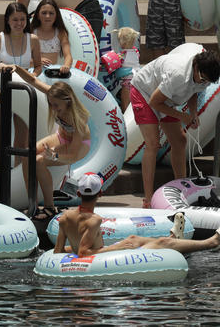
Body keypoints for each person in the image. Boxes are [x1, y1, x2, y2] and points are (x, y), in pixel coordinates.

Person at [129, 45, 220, 208]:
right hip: (144, 92)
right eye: (203, 79)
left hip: (166, 99)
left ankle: (181, 190)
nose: (204, 83)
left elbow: (195, 90)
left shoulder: (203, 75)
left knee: (180, 141)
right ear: (196, 67)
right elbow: (154, 102)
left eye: (207, 81)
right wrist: (183, 117)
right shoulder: (177, 74)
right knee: (153, 144)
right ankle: (148, 199)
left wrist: (193, 114)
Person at [54, 172, 220, 257]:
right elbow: (84, 253)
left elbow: (59, 251)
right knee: (162, 243)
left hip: (102, 253)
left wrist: (73, 249)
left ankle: (173, 237)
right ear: (101, 194)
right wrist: (116, 247)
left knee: (133, 238)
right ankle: (211, 242)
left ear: (78, 193)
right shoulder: (94, 220)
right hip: (105, 258)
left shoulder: (66, 216)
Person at [15, 66, 91, 221]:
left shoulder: (78, 121)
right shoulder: (55, 95)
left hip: (78, 147)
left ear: (67, 102)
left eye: (56, 105)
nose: (53, 108)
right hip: (61, 136)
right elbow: (32, 80)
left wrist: (55, 155)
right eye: (51, 104)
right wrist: (15, 68)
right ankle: (33, 204)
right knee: (27, 154)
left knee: (39, 160)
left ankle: (50, 207)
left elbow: (73, 154)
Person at [0, 2, 42, 172]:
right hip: (3, 92)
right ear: (7, 20)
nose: (19, 23)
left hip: (24, 93)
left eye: (22, 19)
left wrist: (33, 76)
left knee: (21, 142)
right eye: (15, 20)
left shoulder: (33, 40)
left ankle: (18, 184)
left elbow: (39, 66)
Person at [29, 0, 72, 73]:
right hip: (32, 72)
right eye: (44, 13)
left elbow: (68, 55)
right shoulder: (30, 32)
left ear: (56, 16)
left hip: (51, 73)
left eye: (51, 13)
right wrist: (37, 61)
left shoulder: (61, 33)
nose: (47, 16)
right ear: (38, 15)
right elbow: (21, 56)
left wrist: (66, 66)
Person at [115, 27, 140, 112]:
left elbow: (115, 62)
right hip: (136, 77)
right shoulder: (136, 51)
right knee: (134, 101)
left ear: (123, 43)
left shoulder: (122, 55)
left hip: (127, 80)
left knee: (125, 101)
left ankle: (125, 117)